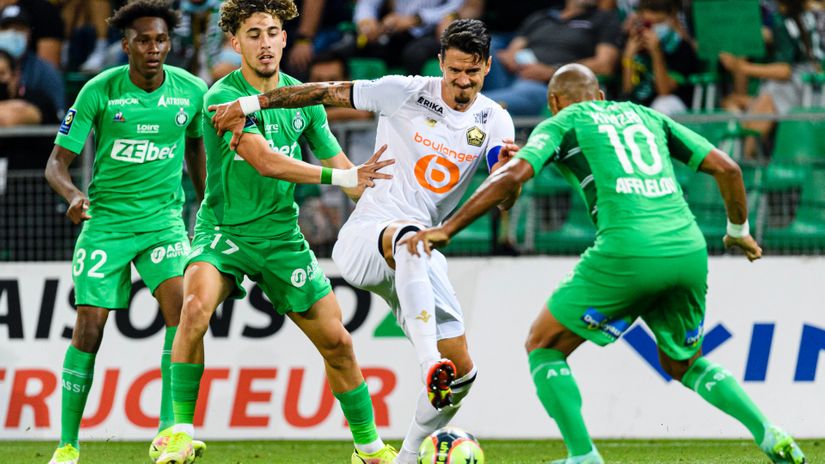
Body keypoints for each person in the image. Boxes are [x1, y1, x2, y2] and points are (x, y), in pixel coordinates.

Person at [403, 64, 807, 464]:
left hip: (628, 249)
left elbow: (511, 179)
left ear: (553, 103)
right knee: (684, 362)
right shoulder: (646, 115)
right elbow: (728, 168)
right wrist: (738, 230)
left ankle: (583, 455)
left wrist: (448, 229)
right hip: (688, 248)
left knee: (543, 346)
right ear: (599, 96)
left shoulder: (563, 120)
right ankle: (770, 434)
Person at [208, 18, 517, 464]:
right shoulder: (404, 91)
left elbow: (503, 198)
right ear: (440, 64)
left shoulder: (495, 120)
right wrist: (252, 103)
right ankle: (429, 361)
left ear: (487, 66)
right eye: (454, 71)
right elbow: (323, 92)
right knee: (410, 240)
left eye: (472, 71)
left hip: (422, 255)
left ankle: (407, 456)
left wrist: (512, 178)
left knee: (463, 375)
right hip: (370, 236)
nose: (462, 81)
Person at [156, 1, 396, 463]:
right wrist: (343, 180)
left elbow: (344, 168)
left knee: (338, 343)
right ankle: (179, 432)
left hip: (282, 238)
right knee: (193, 308)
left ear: (286, 38)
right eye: (253, 34)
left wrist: (384, 211)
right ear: (235, 42)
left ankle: (368, 448)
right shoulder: (220, 98)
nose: (265, 43)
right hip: (224, 232)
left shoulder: (302, 99)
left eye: (272, 32)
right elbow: (267, 161)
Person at [43, 1, 209, 463]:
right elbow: (55, 165)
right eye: (144, 40)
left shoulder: (193, 91)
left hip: (163, 223)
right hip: (107, 223)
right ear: (126, 44)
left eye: (160, 40)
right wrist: (74, 196)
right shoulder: (100, 90)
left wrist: (209, 209)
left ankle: (167, 432)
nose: (154, 48)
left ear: (169, 43)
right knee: (90, 328)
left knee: (185, 313)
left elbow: (197, 151)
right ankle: (68, 444)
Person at [484, 0, 621, 115]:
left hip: (546, 85)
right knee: (481, 44)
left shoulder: (604, 19)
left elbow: (604, 65)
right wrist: (511, 58)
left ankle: (471, 105)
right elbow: (513, 50)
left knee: (484, 103)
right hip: (512, 74)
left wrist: (551, 71)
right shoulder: (542, 17)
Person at [621, 0, 700, 115]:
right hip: (642, 104)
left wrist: (656, 52)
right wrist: (628, 56)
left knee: (661, 105)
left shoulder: (681, 47)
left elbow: (664, 90)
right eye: (649, 24)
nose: (654, 28)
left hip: (674, 104)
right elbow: (627, 91)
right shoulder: (634, 43)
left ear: (671, 19)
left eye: (659, 22)